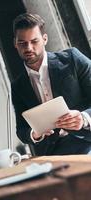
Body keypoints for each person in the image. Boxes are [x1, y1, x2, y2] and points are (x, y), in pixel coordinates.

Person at [11, 13, 91, 156]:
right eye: (22, 43)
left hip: (87, 140)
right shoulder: (18, 86)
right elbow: (21, 130)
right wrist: (34, 134)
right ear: (15, 44)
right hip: (53, 152)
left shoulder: (73, 59)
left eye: (34, 41)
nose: (28, 48)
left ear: (45, 39)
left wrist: (84, 118)